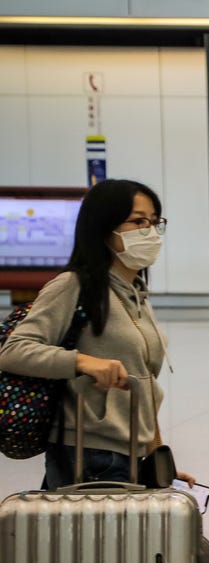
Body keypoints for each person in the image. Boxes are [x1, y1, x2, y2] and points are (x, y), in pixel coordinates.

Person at [0, 178, 193, 490]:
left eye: (155, 222)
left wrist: (158, 456)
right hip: (88, 452)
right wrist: (82, 362)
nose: (150, 232)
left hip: (132, 450)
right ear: (105, 229)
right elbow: (14, 350)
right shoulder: (73, 285)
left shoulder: (135, 293)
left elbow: (143, 380)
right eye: (138, 222)